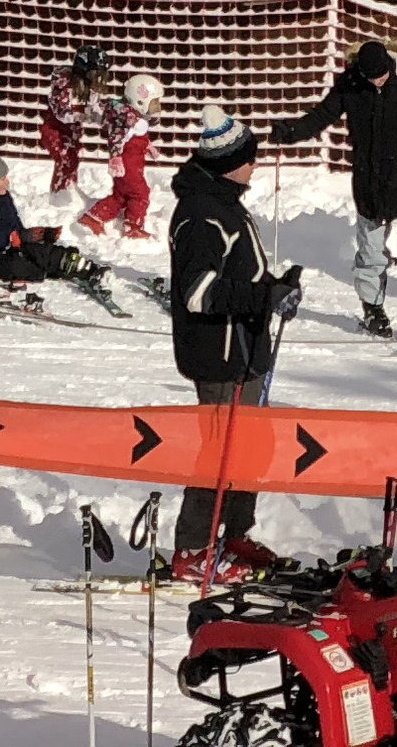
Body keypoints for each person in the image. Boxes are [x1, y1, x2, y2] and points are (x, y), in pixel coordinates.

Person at [167, 111, 300, 573]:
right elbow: (199, 294)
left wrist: (276, 287)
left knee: (250, 448)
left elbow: (244, 276)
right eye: (249, 158)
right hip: (219, 353)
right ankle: (193, 549)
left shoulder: (225, 203)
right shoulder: (202, 213)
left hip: (247, 348)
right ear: (229, 163)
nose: (255, 166)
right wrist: (263, 294)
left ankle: (235, 535)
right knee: (219, 453)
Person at [274, 38, 397, 336]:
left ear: (390, 64)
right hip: (369, 184)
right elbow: (323, 115)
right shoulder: (351, 84)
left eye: (381, 75)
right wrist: (293, 132)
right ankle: (373, 310)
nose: (377, 81)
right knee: (370, 252)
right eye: (371, 77)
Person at [0, 151, 122, 302]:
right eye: (1, 179)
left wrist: (38, 235)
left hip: (3, 250)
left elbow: (15, 227)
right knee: (28, 268)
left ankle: (85, 268)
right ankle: (62, 267)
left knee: (41, 251)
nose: (7, 182)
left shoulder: (1, 196)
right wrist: (12, 238)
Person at [82, 71, 161, 243]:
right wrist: (115, 157)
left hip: (128, 165)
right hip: (128, 166)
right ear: (140, 102)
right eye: (154, 103)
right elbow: (117, 137)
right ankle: (133, 226)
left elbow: (134, 139)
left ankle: (94, 216)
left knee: (121, 195)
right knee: (140, 194)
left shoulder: (129, 116)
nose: (156, 108)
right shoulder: (131, 120)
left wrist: (149, 147)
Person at [40, 42, 114, 210]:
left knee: (73, 161)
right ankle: (58, 197)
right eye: (96, 74)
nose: (99, 80)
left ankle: (70, 191)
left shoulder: (90, 89)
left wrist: (106, 119)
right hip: (55, 131)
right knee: (65, 160)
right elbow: (62, 113)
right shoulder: (64, 87)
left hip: (72, 133)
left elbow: (94, 108)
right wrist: (85, 114)